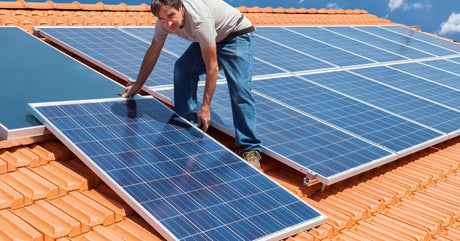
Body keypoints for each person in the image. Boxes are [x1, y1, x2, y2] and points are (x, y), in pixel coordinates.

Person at [122, 0, 262, 168]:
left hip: (236, 35)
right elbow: (153, 51)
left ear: (180, 8)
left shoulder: (199, 20)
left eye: (171, 16)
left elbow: (212, 68)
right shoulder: (164, 24)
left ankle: (250, 148)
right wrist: (138, 84)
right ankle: (187, 123)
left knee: (240, 90)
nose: (168, 23)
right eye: (162, 18)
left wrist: (205, 107)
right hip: (210, 37)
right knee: (182, 68)